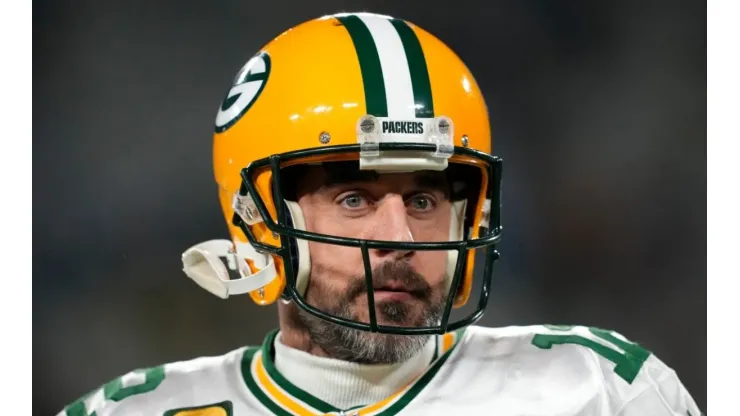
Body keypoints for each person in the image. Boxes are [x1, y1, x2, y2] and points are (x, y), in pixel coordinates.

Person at [58, 12, 702, 416]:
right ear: (258, 222)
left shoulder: (598, 391)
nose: (398, 237)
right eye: (354, 199)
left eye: (423, 201)